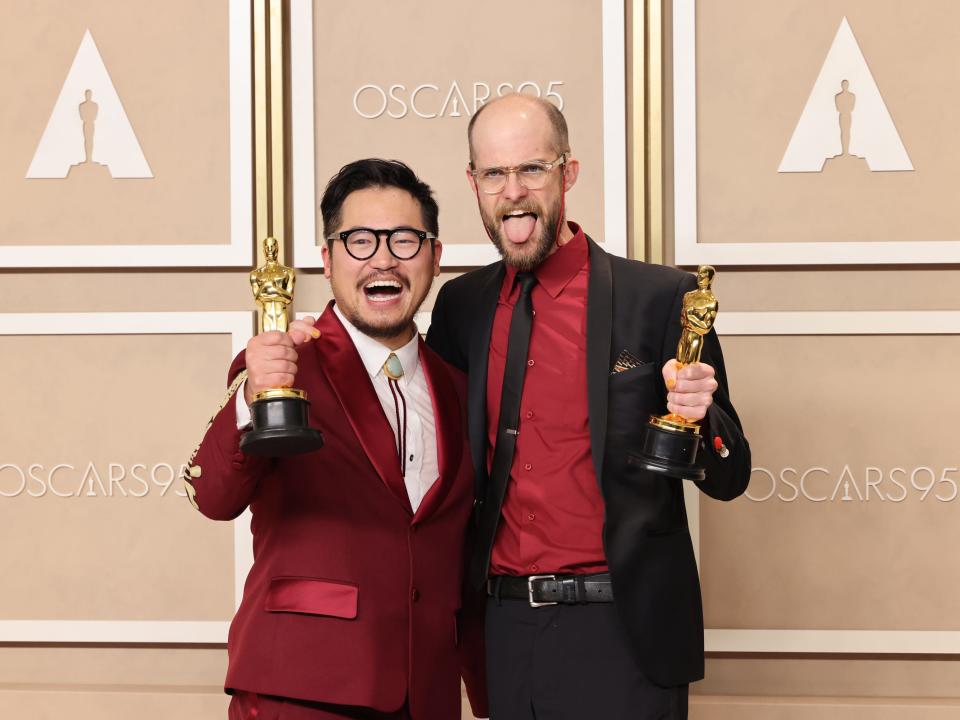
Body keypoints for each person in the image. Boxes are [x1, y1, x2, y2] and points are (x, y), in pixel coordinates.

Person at [426, 94, 751, 720]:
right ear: (473, 183)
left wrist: (701, 415)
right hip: (503, 628)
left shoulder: (662, 298)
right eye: (494, 174)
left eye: (532, 169)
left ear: (568, 173)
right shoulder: (461, 307)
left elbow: (732, 475)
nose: (513, 191)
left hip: (624, 631)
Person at [187, 159, 486, 720]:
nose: (383, 258)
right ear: (327, 260)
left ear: (435, 257)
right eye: (359, 240)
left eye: (404, 239)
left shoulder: (461, 387)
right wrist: (254, 395)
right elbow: (214, 497)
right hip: (301, 688)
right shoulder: (284, 368)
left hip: (426, 693)